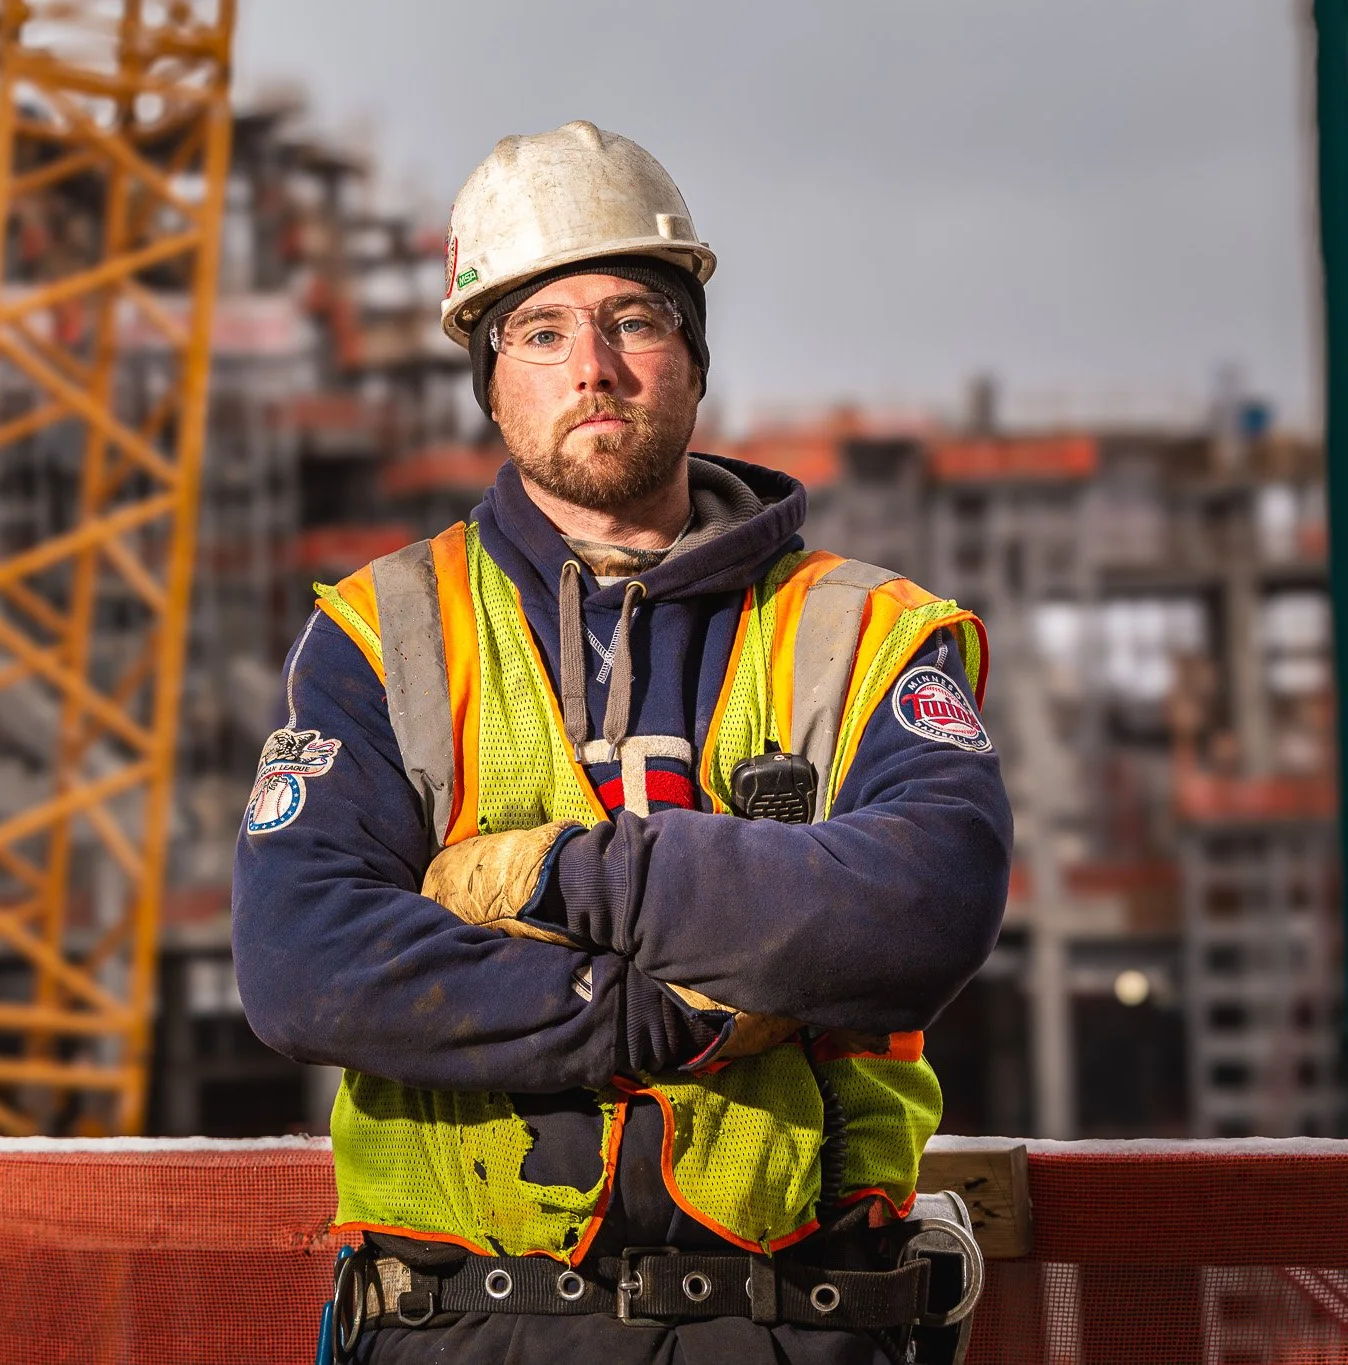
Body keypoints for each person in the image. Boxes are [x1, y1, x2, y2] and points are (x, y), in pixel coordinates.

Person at [231, 121, 1011, 1365]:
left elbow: (919, 912)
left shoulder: (862, 632)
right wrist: (670, 1013)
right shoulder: (385, 635)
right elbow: (301, 961)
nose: (590, 366)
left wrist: (550, 880)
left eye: (633, 320)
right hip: (456, 1326)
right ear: (491, 381)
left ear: (691, 356)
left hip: (796, 1325)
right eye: (539, 333)